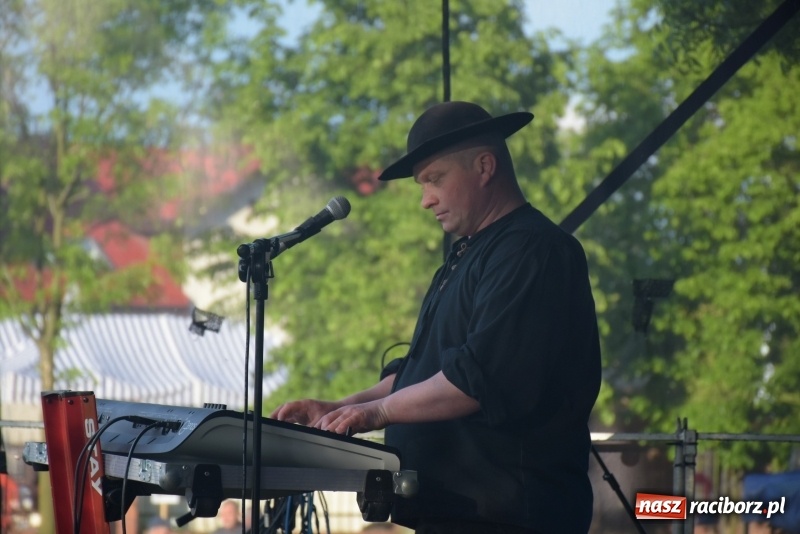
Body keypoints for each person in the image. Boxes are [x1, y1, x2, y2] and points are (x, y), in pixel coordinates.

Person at [272, 101, 602, 534]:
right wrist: (342, 407)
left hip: (510, 518)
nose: (426, 200)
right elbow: (426, 371)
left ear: (485, 167)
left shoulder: (532, 250)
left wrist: (377, 414)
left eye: (435, 179)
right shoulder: (465, 257)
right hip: (455, 514)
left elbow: (475, 378)